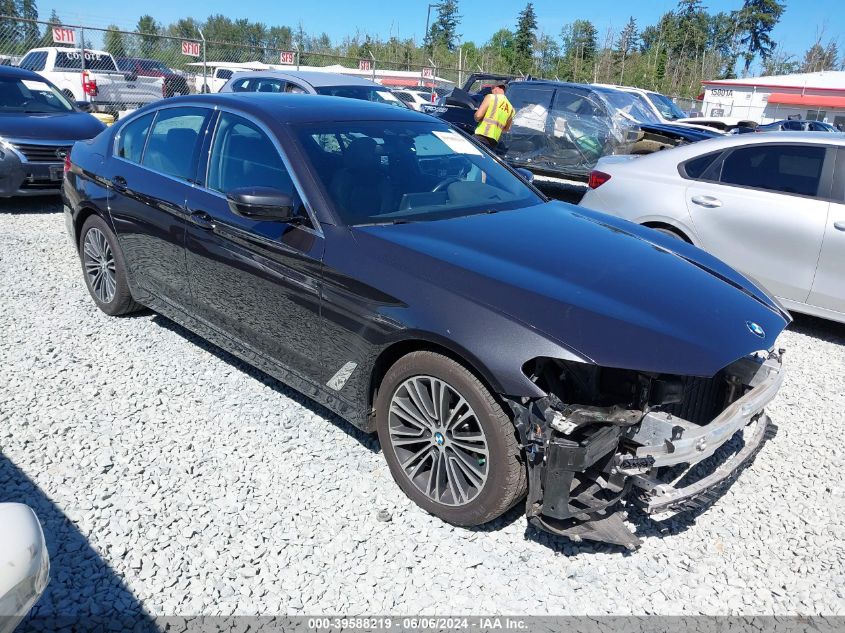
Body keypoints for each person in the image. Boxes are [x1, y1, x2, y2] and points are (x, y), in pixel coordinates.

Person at [473, 83, 514, 149]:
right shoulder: (511, 108)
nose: (492, 91)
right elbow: (507, 129)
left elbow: (478, 116)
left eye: (492, 88)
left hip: (481, 136)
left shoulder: (491, 97)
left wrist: (476, 116)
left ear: (496, 88)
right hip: (494, 142)